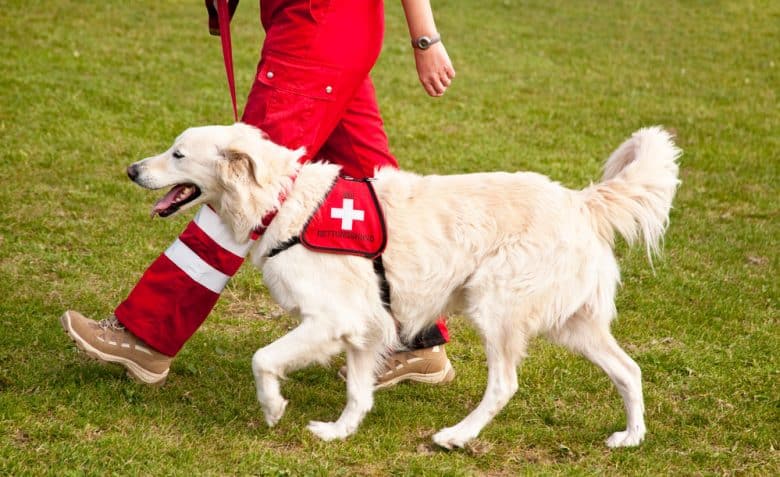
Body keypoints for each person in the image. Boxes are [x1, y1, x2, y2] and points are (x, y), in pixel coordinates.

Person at [61, 0, 457, 387]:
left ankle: (144, 335)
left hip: (316, 27)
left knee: (241, 188)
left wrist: (426, 39)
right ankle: (416, 337)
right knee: (370, 188)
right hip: (331, 29)